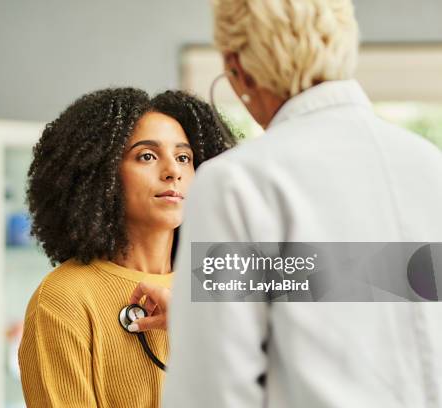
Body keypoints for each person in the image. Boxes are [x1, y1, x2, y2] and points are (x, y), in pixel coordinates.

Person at [156, 0, 442, 407]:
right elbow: (377, 286)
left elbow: (212, 392)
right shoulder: (430, 167)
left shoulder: (236, 183)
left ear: (237, 66)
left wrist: (203, 318)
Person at [17, 87, 234, 407]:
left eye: (183, 157)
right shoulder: (63, 299)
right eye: (147, 156)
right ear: (100, 174)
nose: (173, 171)